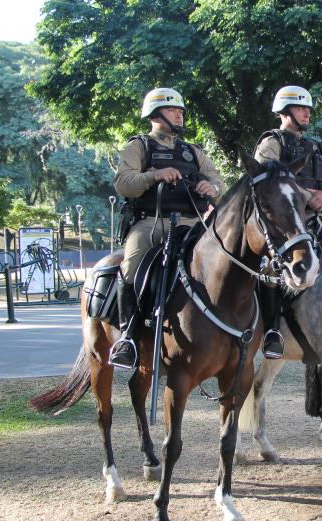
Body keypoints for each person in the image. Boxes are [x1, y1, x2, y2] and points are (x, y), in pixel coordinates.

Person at [108, 87, 225, 370]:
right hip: (151, 224)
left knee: (227, 263)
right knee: (131, 269)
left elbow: (219, 184)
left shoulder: (193, 152)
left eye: (182, 111)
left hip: (194, 225)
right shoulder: (139, 146)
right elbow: (123, 183)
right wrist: (154, 175)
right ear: (156, 113)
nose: (180, 115)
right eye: (174, 110)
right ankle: (128, 337)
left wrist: (213, 187)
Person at [254, 85, 322, 358]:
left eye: (308, 109)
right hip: (285, 223)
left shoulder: (315, 148)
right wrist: (308, 197)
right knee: (269, 268)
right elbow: (264, 183)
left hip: (320, 219)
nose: (307, 113)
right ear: (284, 111)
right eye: (300, 108)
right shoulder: (271, 143)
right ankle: (271, 330)